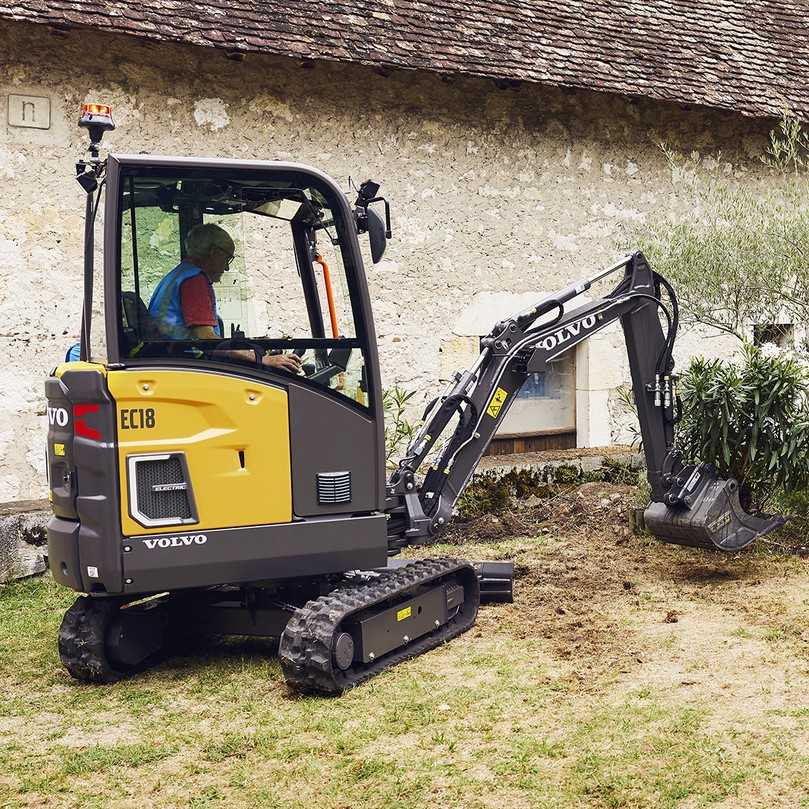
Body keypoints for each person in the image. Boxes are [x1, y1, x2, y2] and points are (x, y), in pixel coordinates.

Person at [148, 223, 301, 373]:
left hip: (172, 360)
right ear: (214, 252)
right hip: (187, 365)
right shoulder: (194, 281)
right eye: (227, 258)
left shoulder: (178, 275)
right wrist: (262, 359)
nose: (227, 267)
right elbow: (207, 340)